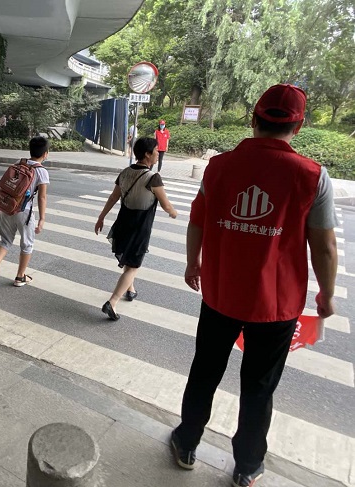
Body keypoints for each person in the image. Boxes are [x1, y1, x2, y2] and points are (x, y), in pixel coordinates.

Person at [171, 84, 338, 487]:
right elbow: (324, 246)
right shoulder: (313, 176)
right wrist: (326, 294)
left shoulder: (218, 167)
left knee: (205, 372)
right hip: (276, 306)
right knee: (260, 388)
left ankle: (186, 442)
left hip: (220, 294)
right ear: (299, 125)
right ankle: (247, 466)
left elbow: (197, 221)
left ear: (253, 119)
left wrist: (193, 263)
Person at [95, 137, 177, 320]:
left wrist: (101, 217)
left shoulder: (125, 172)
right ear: (147, 154)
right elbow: (166, 205)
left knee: (129, 257)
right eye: (155, 151)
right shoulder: (153, 177)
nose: (158, 154)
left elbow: (113, 197)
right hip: (140, 226)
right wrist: (174, 213)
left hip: (123, 222)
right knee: (133, 265)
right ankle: (112, 302)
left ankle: (130, 289)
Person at [0, 136, 50, 288]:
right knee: (27, 244)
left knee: (5, 241)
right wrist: (42, 219)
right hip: (24, 211)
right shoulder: (42, 171)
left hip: (7, 207)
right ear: (45, 153)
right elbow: (42, 197)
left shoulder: (18, 164)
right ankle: (20, 277)